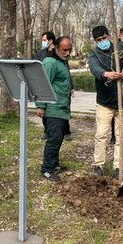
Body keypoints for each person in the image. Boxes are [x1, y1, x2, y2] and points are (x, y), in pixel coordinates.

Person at [88, 25, 123, 179]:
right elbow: (94, 69)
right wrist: (105, 74)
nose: (102, 42)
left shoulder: (121, 49)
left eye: (104, 38)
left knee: (121, 135)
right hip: (104, 102)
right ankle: (98, 164)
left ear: (109, 36)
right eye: (99, 40)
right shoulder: (94, 54)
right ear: (95, 41)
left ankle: (119, 166)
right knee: (102, 134)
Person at [36, 36, 73, 182]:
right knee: (54, 138)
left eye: (70, 49)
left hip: (62, 106)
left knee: (59, 138)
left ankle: (55, 164)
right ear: (56, 48)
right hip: (53, 108)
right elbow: (43, 84)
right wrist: (41, 106)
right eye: (65, 50)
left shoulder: (62, 61)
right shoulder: (50, 62)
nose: (68, 53)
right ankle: (47, 169)